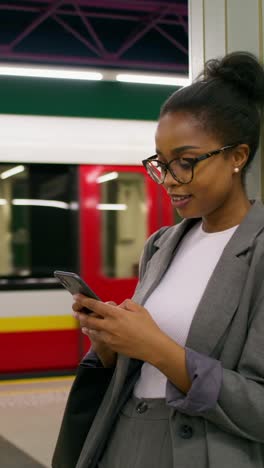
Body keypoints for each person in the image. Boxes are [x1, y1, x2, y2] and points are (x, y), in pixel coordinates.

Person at [57, 51, 264, 468]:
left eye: (185, 163)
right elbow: (139, 368)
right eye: (161, 163)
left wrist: (155, 347)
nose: (169, 180)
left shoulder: (257, 250)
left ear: (237, 156)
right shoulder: (162, 244)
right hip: (123, 438)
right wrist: (111, 343)